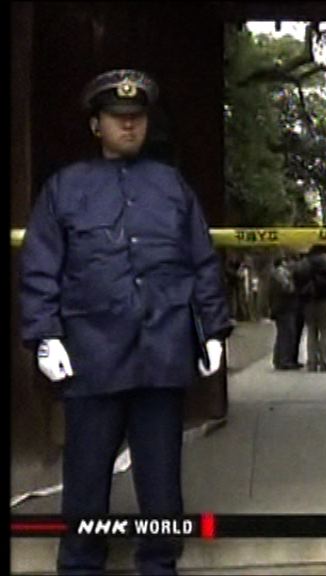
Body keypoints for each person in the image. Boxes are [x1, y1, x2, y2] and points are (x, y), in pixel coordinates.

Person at [19, 69, 232, 576]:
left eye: (137, 118)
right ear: (97, 125)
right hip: (92, 353)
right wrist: (44, 335)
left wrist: (212, 330)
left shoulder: (170, 185)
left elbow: (201, 262)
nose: (130, 127)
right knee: (87, 473)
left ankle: (159, 562)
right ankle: (80, 562)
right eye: (118, 119)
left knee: (160, 477)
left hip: (161, 350)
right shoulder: (65, 189)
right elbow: (41, 266)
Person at [295, 245, 326, 372]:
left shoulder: (303, 263)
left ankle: (311, 363)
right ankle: (325, 362)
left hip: (307, 300)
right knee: (325, 332)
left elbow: (296, 279)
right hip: (325, 299)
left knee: (311, 332)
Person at [268, 256, 302, 370]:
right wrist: (293, 281)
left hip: (281, 307)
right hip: (284, 308)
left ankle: (279, 360)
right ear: (284, 262)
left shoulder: (277, 273)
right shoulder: (281, 273)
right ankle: (284, 361)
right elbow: (288, 288)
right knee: (287, 334)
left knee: (283, 334)